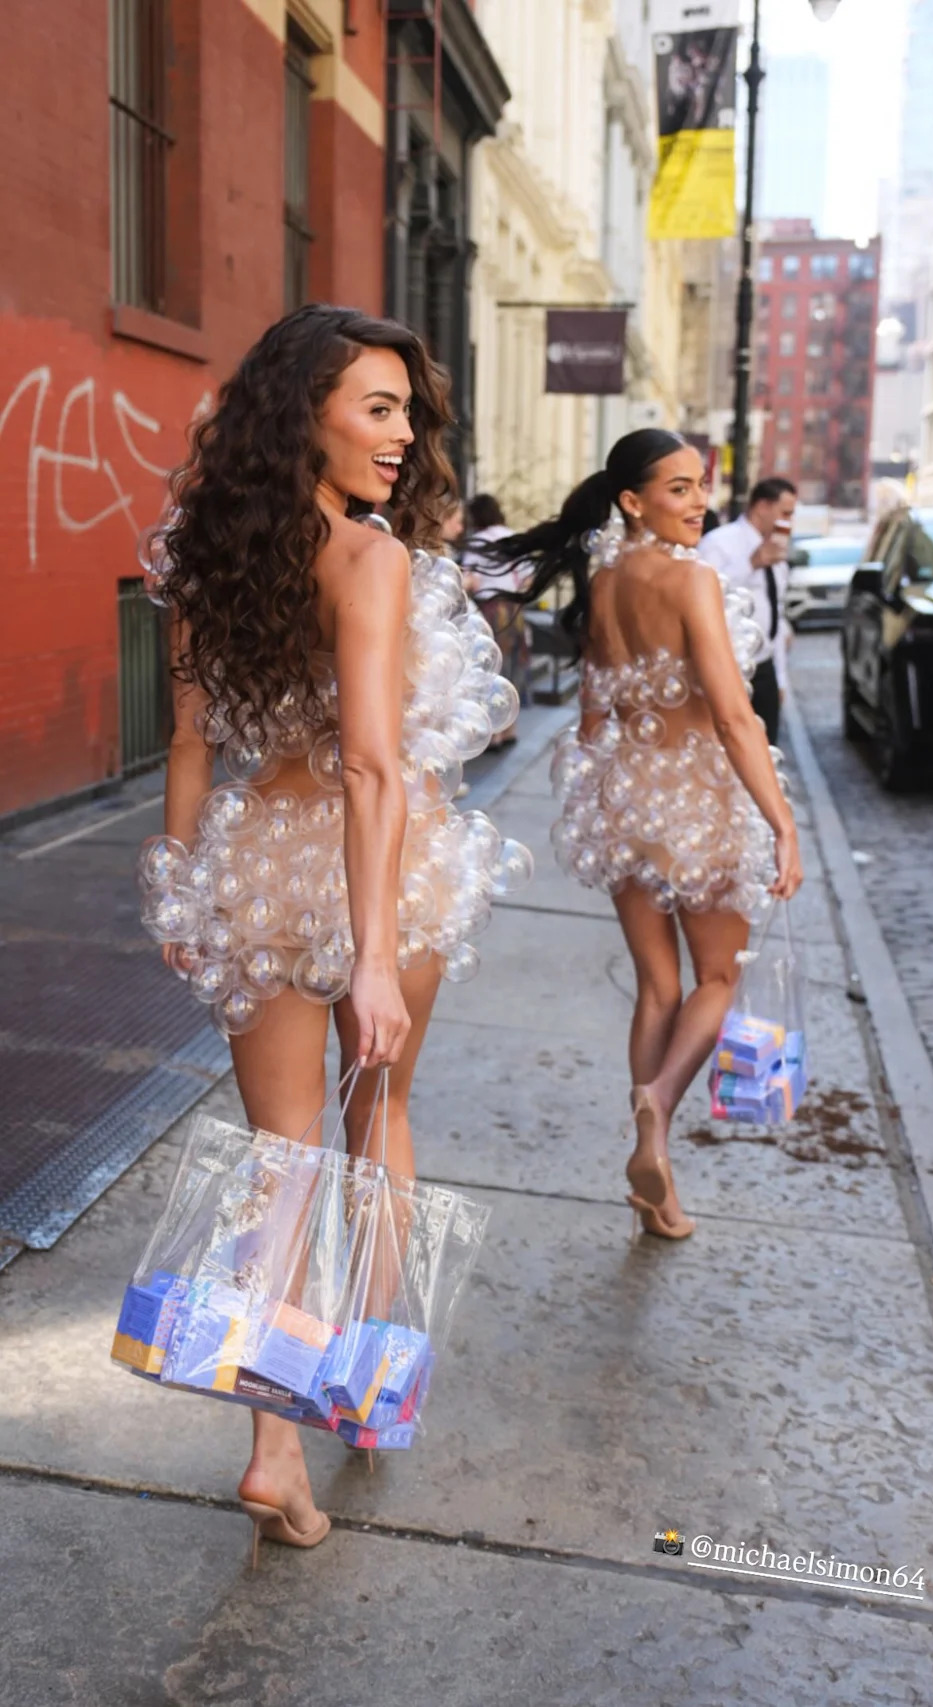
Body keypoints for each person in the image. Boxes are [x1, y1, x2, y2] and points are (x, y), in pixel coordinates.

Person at [142, 305, 528, 1560]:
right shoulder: (368, 560)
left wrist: (186, 896)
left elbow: (191, 748)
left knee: (281, 1165)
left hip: (254, 867)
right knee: (382, 1123)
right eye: (376, 409)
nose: (402, 439)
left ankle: (271, 1451)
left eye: (408, 414)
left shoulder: (208, 552)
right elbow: (373, 769)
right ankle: (362, 1386)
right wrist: (371, 957)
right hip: (380, 879)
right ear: (303, 409)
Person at [485, 430, 802, 1240]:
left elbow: (592, 716)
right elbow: (734, 715)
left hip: (625, 803)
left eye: (700, 487)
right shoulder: (692, 580)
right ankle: (658, 1106)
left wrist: (613, 789)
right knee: (717, 980)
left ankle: (654, 1188)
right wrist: (783, 821)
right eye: (678, 489)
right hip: (701, 803)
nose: (698, 503)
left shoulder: (607, 582)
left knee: (658, 987)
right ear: (633, 500)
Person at [698, 477, 797, 745]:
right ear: (762, 507)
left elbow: (773, 611)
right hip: (728, 669)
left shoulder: (776, 550)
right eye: (785, 513)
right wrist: (751, 563)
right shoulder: (719, 542)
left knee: (766, 751)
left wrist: (780, 677)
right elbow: (701, 595)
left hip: (764, 668)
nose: (789, 521)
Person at [460, 493, 530, 747]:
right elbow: (526, 577)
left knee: (491, 669)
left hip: (491, 609)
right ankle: (510, 729)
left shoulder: (478, 541)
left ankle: (494, 734)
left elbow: (471, 578)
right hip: (514, 608)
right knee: (512, 668)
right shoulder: (512, 536)